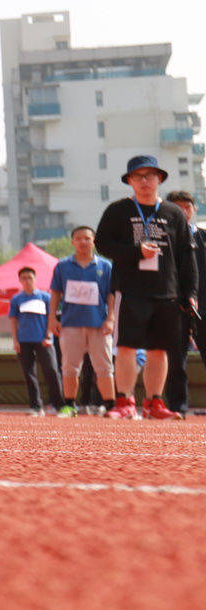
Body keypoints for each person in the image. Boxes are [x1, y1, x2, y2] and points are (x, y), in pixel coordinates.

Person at [93, 154, 195, 420]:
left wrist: (190, 293)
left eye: (150, 175)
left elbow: (187, 255)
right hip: (132, 290)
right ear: (130, 181)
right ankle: (124, 401)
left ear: (159, 179)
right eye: (138, 176)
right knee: (126, 346)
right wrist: (136, 251)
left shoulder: (174, 213)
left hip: (167, 292)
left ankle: (154, 402)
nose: (145, 180)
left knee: (159, 349)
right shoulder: (118, 211)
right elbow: (102, 244)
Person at [49, 224, 113, 416]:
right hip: (71, 324)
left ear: (94, 241)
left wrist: (111, 318)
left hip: (99, 324)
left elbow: (112, 294)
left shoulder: (105, 266)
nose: (83, 242)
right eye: (79, 239)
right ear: (73, 242)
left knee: (104, 366)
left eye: (87, 238)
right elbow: (55, 293)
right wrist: (52, 318)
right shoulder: (62, 266)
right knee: (69, 367)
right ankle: (69, 405)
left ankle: (111, 406)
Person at [6, 265, 65, 415]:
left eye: (30, 277)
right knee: (29, 373)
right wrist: (15, 340)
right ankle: (36, 406)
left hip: (43, 340)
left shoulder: (45, 297)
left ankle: (58, 404)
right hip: (24, 341)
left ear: (35, 279)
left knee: (51, 370)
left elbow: (51, 318)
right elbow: (13, 320)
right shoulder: (16, 299)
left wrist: (48, 336)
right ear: (20, 280)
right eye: (24, 278)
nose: (27, 281)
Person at [165, 189, 201, 417]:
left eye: (187, 208)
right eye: (177, 208)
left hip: (202, 308)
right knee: (175, 360)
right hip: (173, 308)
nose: (183, 212)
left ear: (194, 210)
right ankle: (178, 406)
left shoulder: (203, 238)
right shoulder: (163, 241)